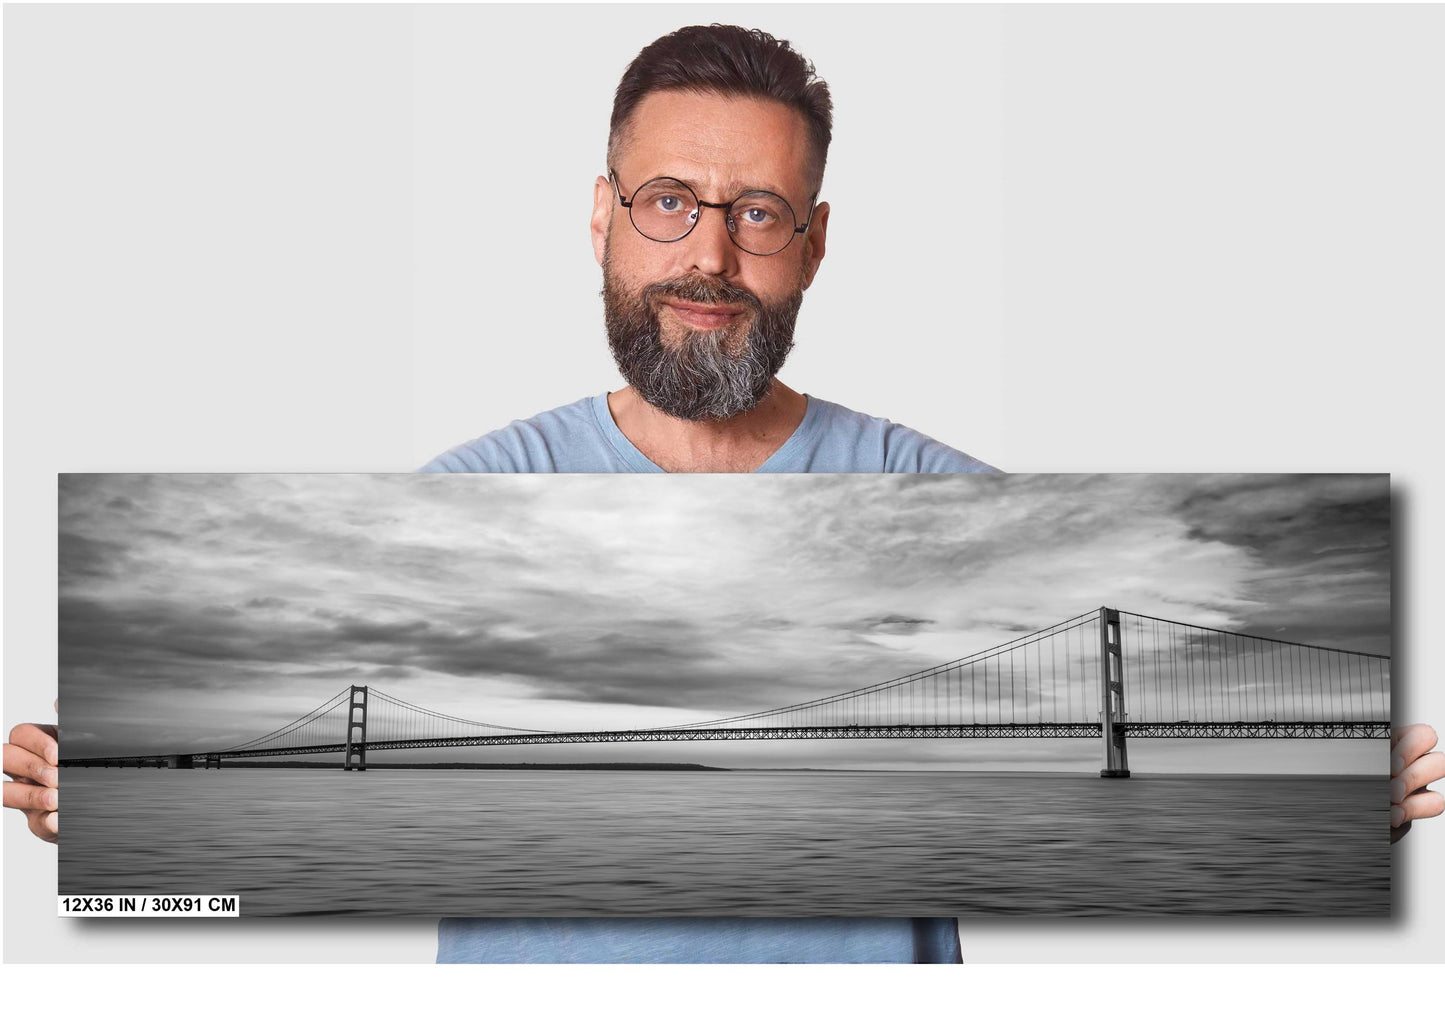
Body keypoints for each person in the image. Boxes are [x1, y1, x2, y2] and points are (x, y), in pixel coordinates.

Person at [8, 24, 1443, 963]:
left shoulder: (952, 502)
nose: (709, 254)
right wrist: (124, 811)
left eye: (756, 213)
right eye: (668, 202)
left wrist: (1345, 809)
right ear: (601, 216)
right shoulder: (470, 492)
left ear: (811, 245)